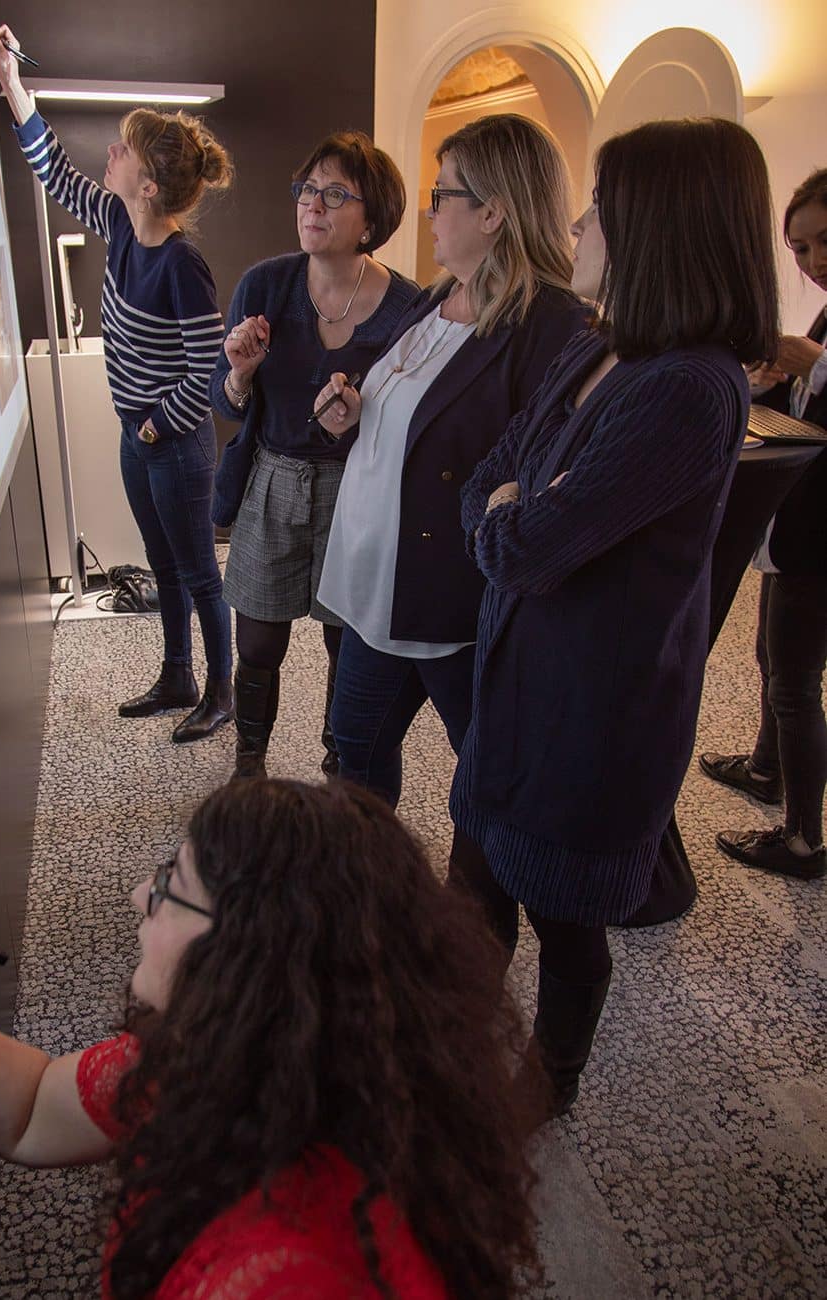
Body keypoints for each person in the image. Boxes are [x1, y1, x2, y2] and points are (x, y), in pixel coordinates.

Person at [0, 780, 539, 1299]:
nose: (136, 900)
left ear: (251, 954)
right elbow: (31, 1109)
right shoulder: (252, 1053)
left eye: (170, 888)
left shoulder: (283, 1274)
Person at [447, 118, 779, 1116]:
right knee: (473, 901)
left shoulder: (690, 386)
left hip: (591, 718)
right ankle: (454, 1058)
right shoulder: (604, 346)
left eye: (599, 206)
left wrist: (510, 513)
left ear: (654, 227)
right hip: (518, 686)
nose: (579, 223)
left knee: (566, 926)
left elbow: (519, 542)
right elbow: (493, 477)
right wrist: (510, 508)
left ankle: (550, 1083)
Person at [313, 115, 589, 807]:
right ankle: (373, 898)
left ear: (495, 211)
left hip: (452, 595)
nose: (431, 209)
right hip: (379, 580)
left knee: (492, 774)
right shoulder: (438, 295)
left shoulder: (551, 322)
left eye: (445, 195)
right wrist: (352, 414)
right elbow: (411, 422)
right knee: (355, 747)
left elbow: (543, 465)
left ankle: (488, 909)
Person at [0, 25, 234, 743]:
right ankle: (178, 675)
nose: (112, 154)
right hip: (139, 436)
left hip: (174, 443)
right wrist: (12, 84)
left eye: (123, 150)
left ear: (149, 186)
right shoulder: (120, 223)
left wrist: (156, 424)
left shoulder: (182, 265)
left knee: (197, 571)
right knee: (162, 562)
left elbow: (207, 371)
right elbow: (54, 171)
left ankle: (219, 692)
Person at [210, 134, 416, 779]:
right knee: (260, 640)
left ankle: (339, 765)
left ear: (372, 220)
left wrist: (359, 420)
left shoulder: (411, 308)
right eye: (307, 191)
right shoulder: (265, 285)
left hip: (358, 490)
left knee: (344, 644)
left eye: (334, 194)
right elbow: (235, 409)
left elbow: (410, 425)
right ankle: (250, 765)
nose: (312, 206)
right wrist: (241, 374)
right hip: (272, 479)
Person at [701, 167, 827, 881]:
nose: (815, 262)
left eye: (825, 242)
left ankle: (804, 837)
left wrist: (814, 364)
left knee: (794, 680)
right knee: (771, 658)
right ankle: (766, 767)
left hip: (818, 541)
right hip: (796, 529)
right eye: (802, 248)